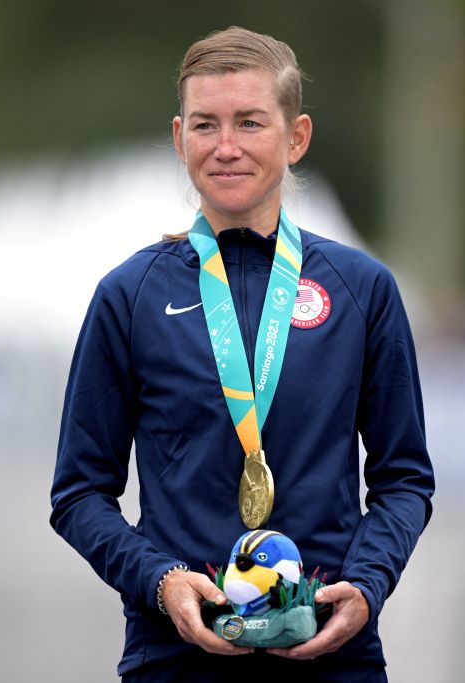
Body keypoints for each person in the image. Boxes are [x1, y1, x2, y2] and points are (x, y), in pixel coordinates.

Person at [50, 26, 434, 682]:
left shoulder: (363, 289)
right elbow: (79, 491)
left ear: (296, 137)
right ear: (179, 140)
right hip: (174, 656)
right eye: (206, 125)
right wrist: (161, 579)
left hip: (333, 655)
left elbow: (404, 478)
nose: (225, 147)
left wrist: (367, 585)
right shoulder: (129, 295)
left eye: (250, 122)